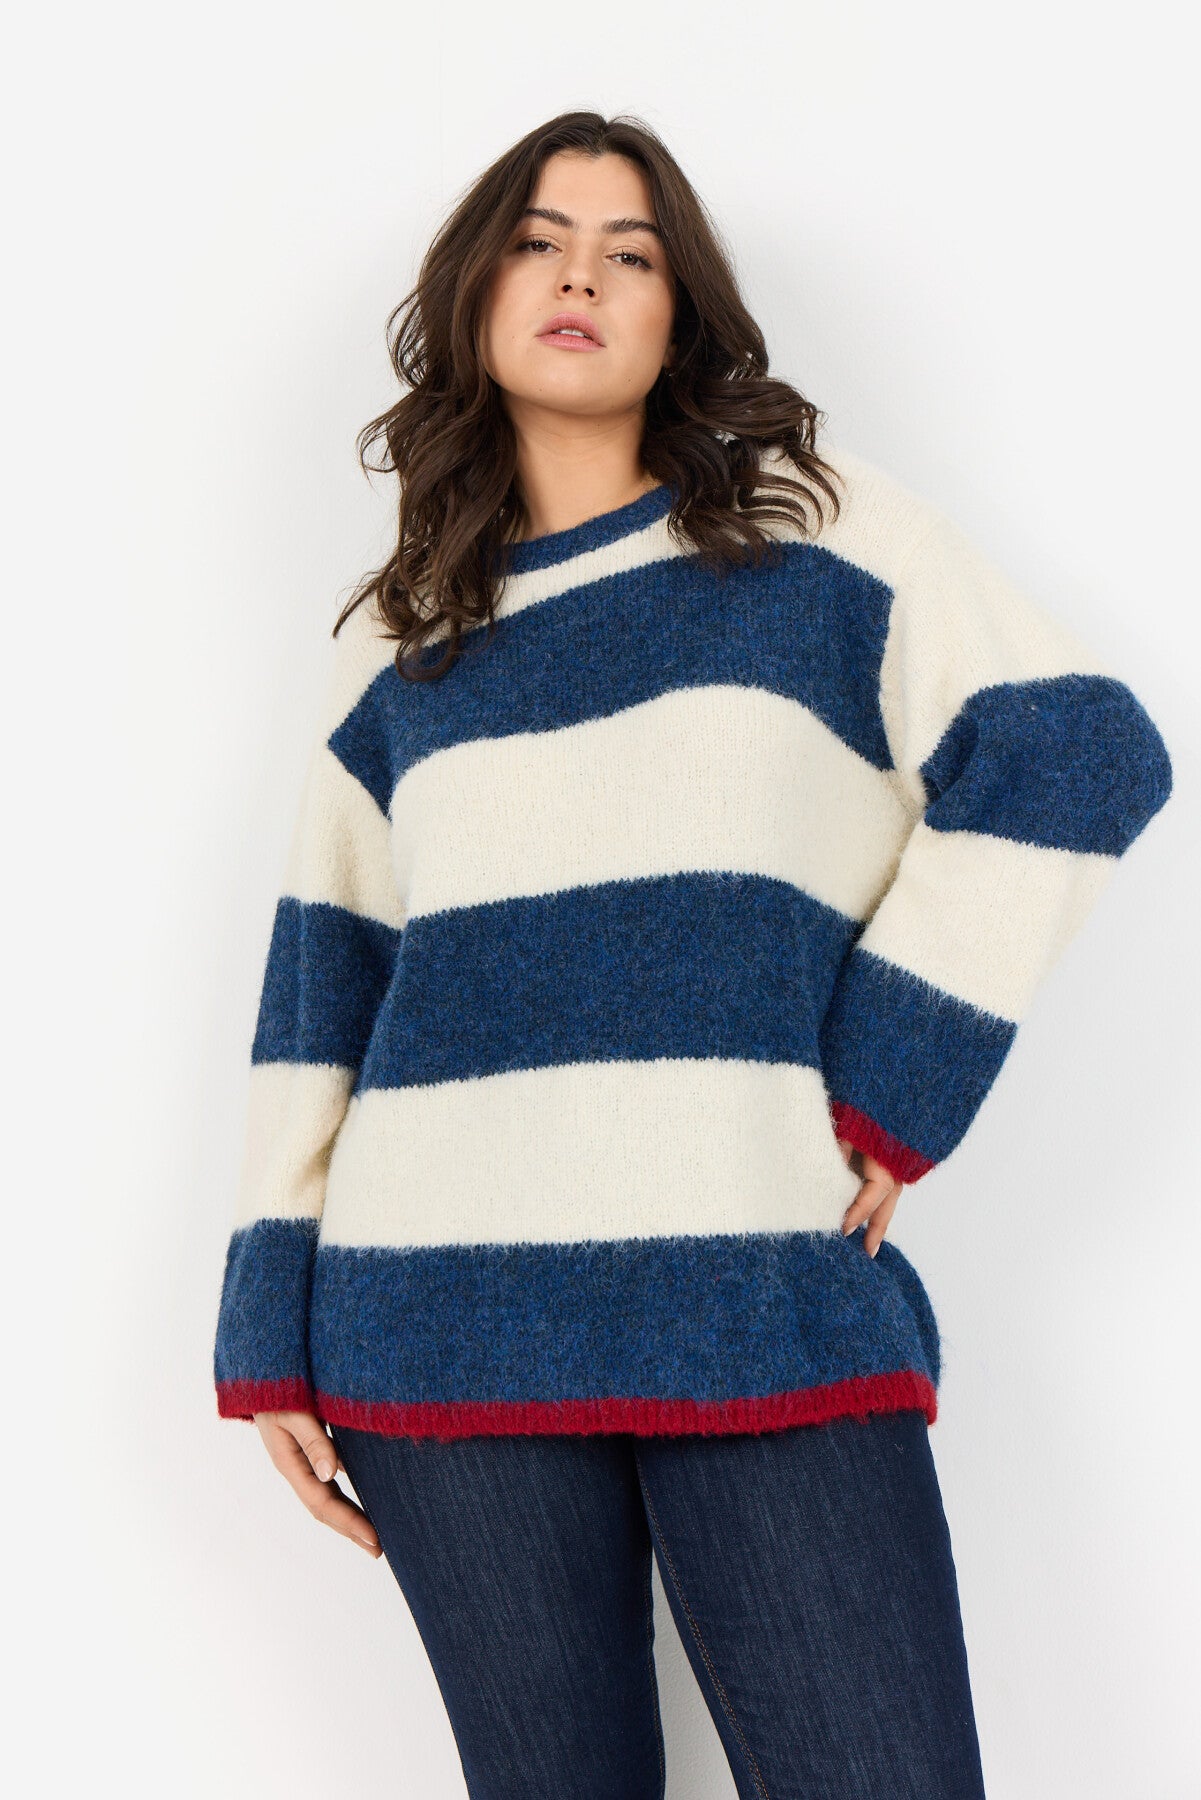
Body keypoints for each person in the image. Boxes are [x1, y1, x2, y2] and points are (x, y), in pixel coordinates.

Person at [212, 111, 1173, 1798]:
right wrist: (264, 1321)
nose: (579, 274)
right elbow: (326, 976)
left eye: (630, 251)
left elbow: (1075, 749)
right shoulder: (407, 632)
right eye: (537, 239)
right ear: (476, 293)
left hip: (757, 1284)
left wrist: (890, 1082)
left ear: (680, 316)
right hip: (433, 1319)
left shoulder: (818, 539)